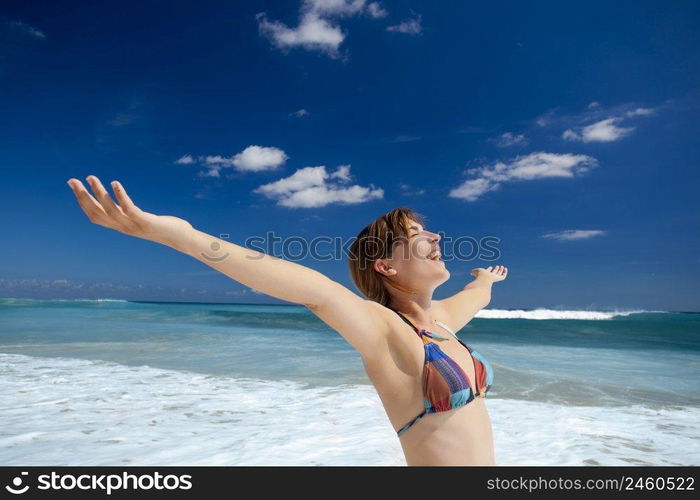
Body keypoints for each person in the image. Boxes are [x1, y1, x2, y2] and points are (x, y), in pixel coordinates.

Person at [66, 175, 508, 466]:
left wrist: (486, 280)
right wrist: (181, 236)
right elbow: (312, 288)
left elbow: (475, 295)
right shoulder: (386, 330)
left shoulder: (443, 322)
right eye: (416, 236)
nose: (435, 237)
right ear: (385, 267)